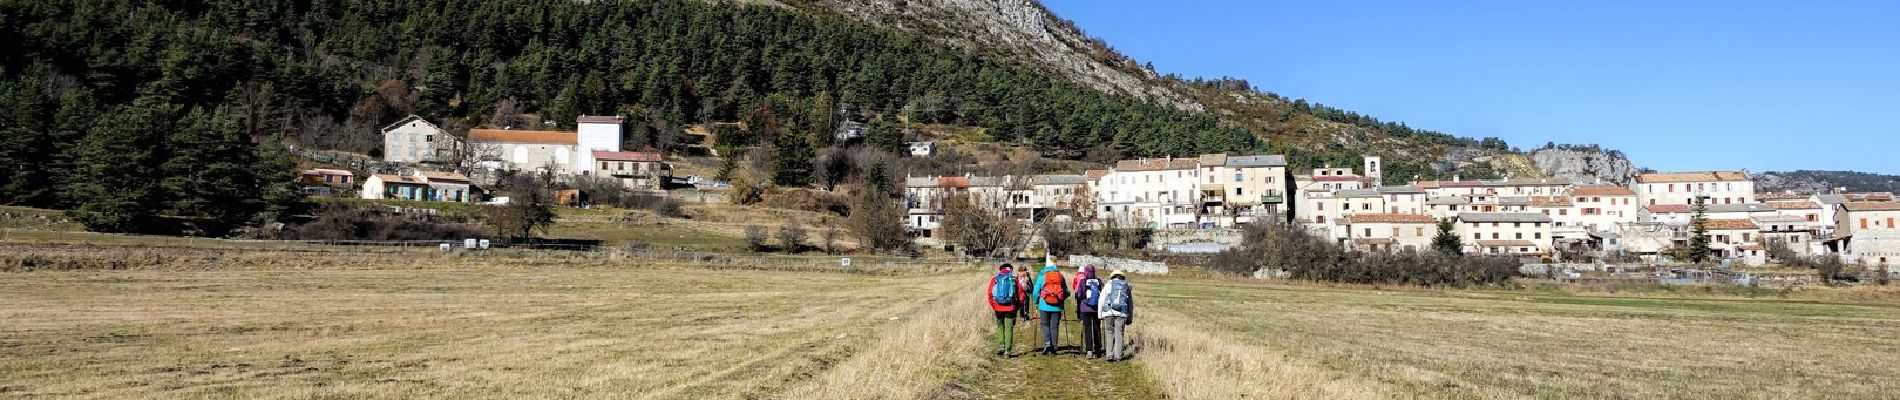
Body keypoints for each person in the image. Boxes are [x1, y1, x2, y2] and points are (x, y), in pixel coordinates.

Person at [1098, 270, 1135, 362]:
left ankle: (1109, 354)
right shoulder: (1126, 286)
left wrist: (1100, 314)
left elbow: (1101, 300)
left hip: (1108, 312)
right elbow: (1130, 302)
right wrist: (1130, 316)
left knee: (1109, 332)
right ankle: (1118, 355)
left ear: (1112, 276)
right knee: (1119, 333)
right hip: (1121, 313)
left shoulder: (1108, 285)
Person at [1031, 263, 1068, 355]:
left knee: (1045, 325)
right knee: (1054, 327)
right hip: (1057, 306)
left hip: (1044, 305)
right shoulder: (1060, 277)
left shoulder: (1042, 276)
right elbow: (1065, 291)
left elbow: (1035, 291)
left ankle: (1047, 343)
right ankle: (1054, 346)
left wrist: (1036, 301)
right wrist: (1062, 299)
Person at [986, 263, 1020, 357]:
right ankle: (1007, 351)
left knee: (1000, 326)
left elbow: (989, 294)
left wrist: (994, 305)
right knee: (1009, 328)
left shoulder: (995, 279)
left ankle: (1001, 345)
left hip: (998, 307)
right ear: (1011, 270)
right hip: (1010, 307)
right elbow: (1020, 295)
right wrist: (1017, 306)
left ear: (1000, 270)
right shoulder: (1014, 280)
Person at [1073, 265, 1104, 358]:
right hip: (1096, 308)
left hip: (1085, 308)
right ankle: (1098, 349)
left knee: (1087, 329)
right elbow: (1103, 294)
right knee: (1097, 328)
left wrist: (1084, 300)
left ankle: (1089, 350)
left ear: (1086, 272)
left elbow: (1079, 294)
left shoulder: (1083, 281)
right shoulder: (1099, 281)